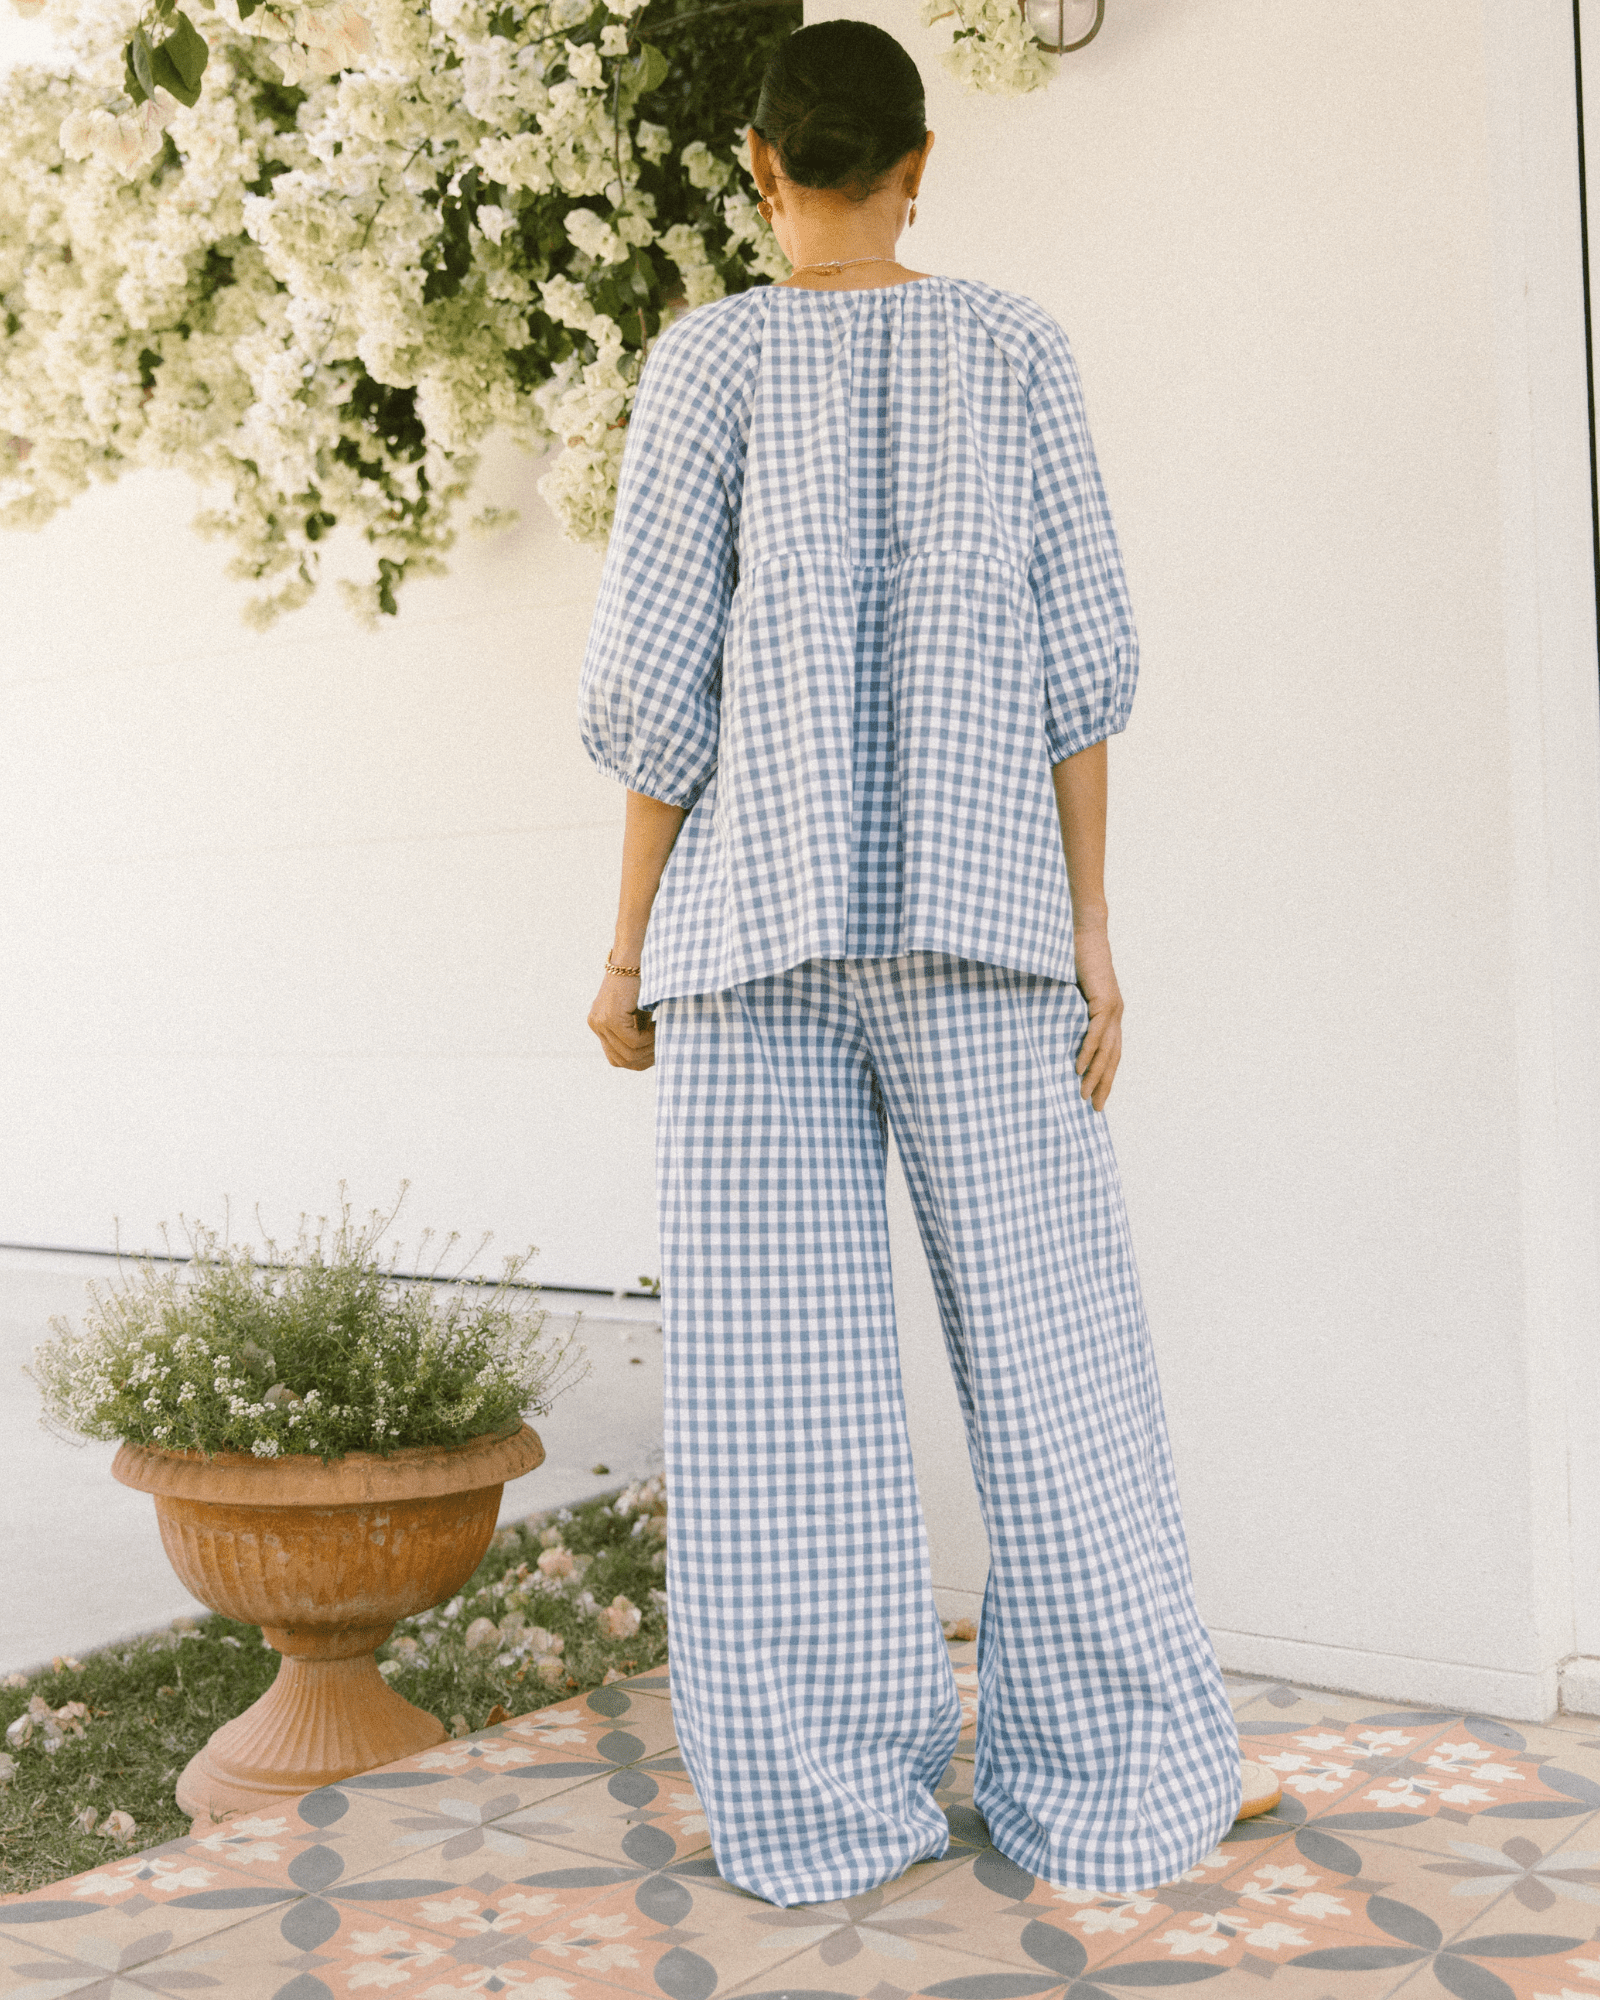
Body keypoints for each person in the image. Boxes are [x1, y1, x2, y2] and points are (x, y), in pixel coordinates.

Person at [578, 16, 1277, 1910]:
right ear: (920, 162)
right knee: (1064, 1367)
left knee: (777, 1399)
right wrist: (1092, 930)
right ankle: (1117, 1786)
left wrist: (626, 949)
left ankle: (822, 1811)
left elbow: (657, 690)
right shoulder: (1017, 349)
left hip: (754, 937)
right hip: (984, 922)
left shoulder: (703, 361)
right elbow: (1079, 667)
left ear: (758, 168)